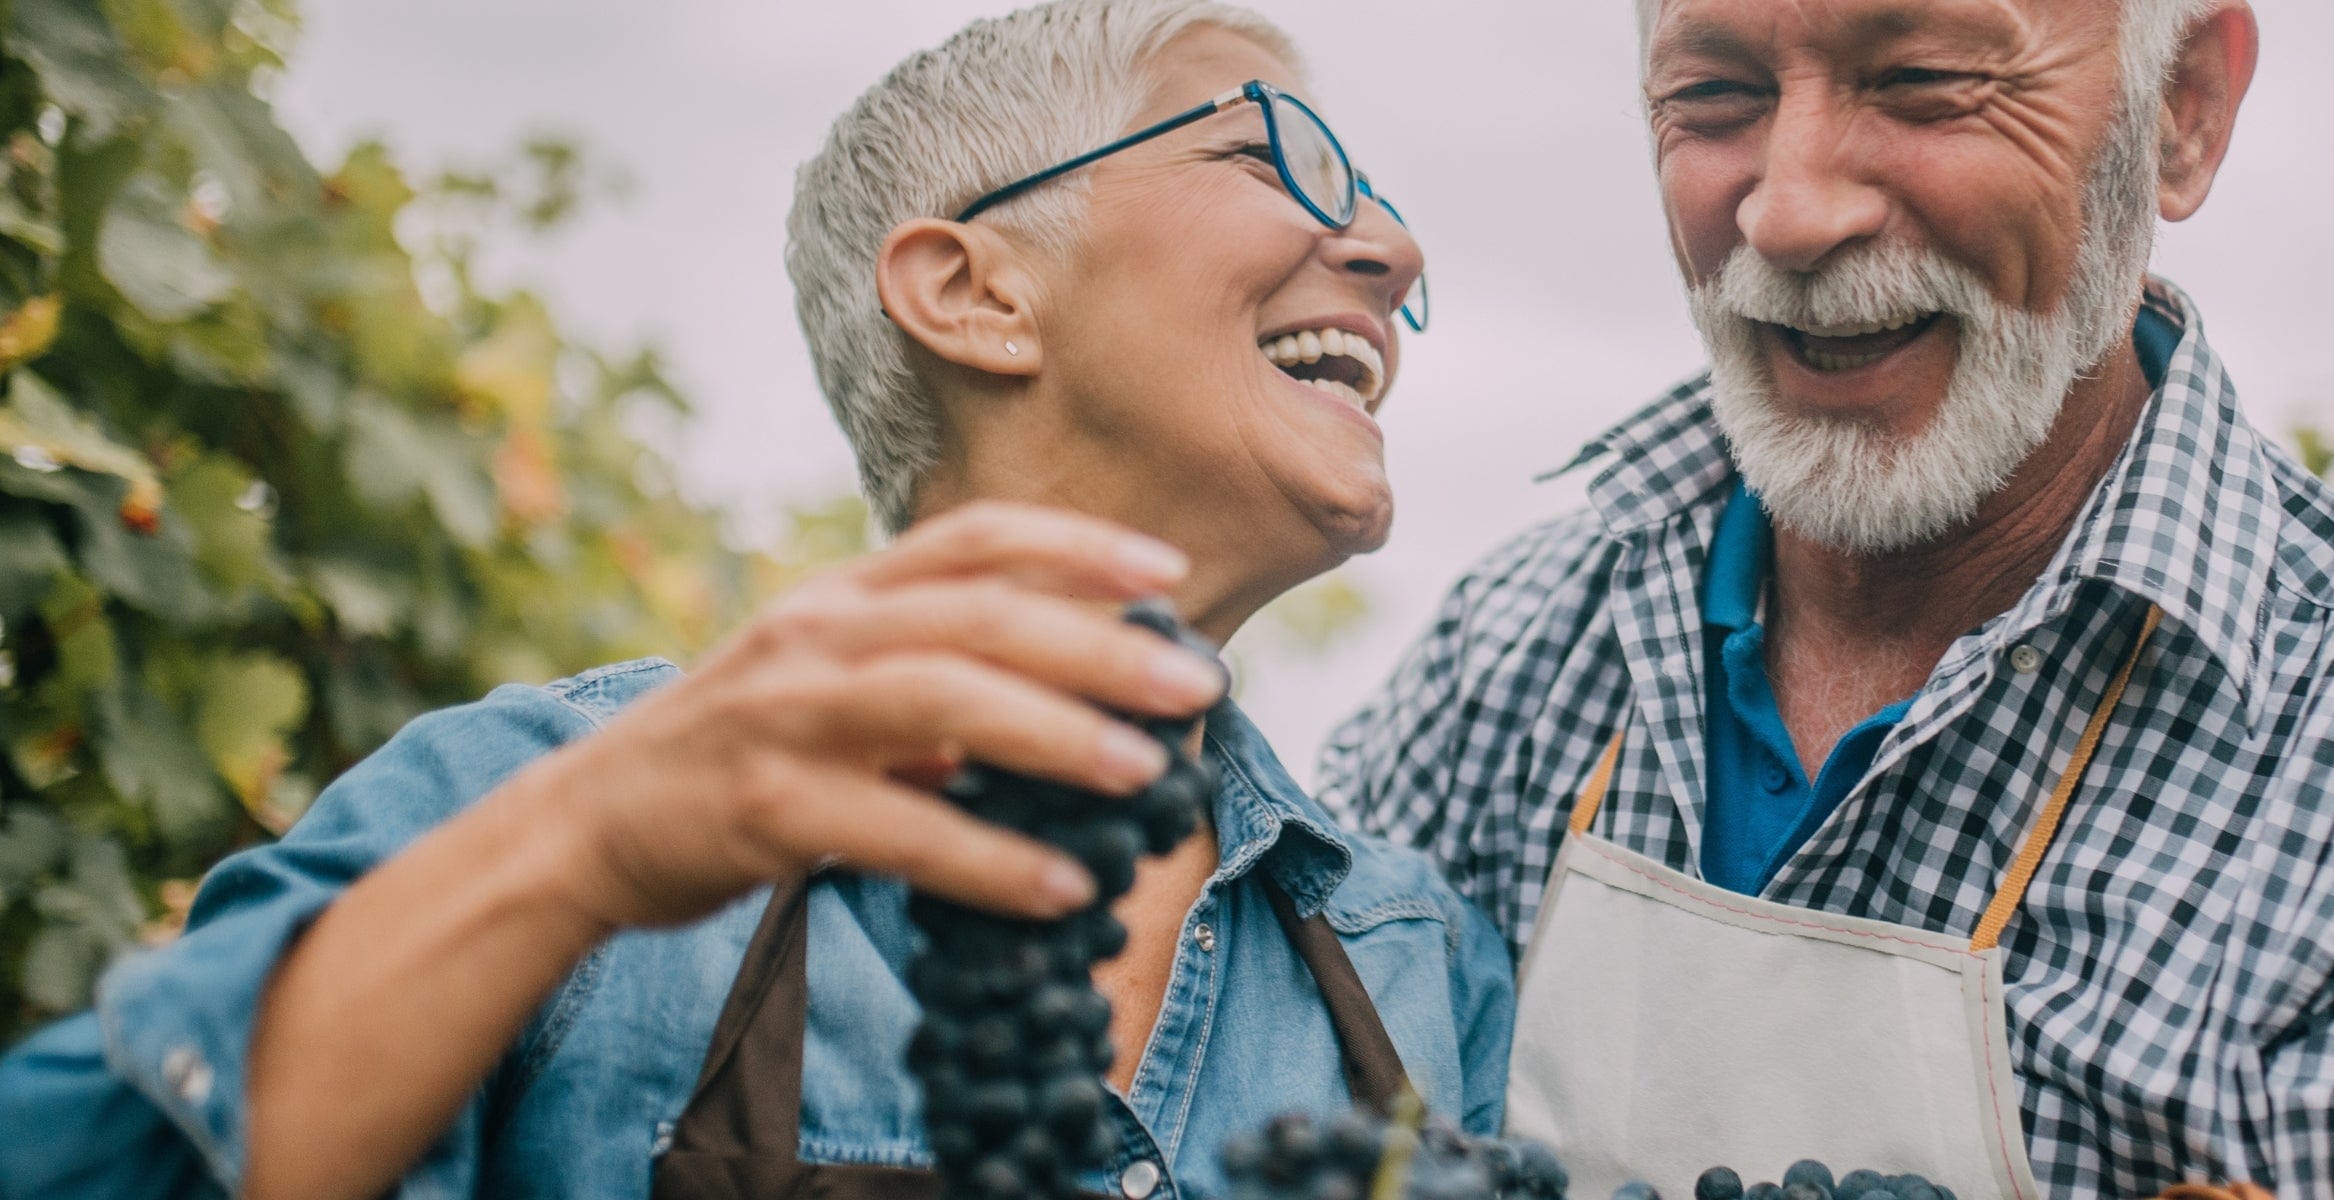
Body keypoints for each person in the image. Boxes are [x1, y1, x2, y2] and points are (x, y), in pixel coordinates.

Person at [0, 4, 1509, 1199]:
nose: (1392, 249)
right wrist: (577, 854)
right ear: (974, 291)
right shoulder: (532, 801)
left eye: (1370, 197)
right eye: (1266, 163)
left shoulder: (1419, 959)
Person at [1318, 0, 2334, 1196]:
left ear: (2182, 110)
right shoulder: (1513, 655)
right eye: (1716, 94)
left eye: (1924, 83)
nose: (1790, 210)